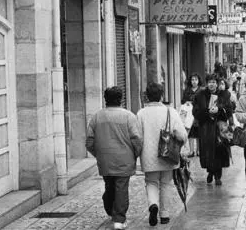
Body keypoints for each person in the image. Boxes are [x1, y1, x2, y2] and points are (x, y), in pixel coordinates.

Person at [86, 87, 142, 230]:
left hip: (104, 159)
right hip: (125, 159)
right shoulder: (129, 116)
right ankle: (118, 219)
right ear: (121, 99)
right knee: (121, 188)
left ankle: (111, 210)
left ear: (105, 99)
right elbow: (136, 139)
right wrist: (135, 154)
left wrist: (99, 154)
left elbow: (89, 142)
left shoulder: (96, 117)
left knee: (109, 186)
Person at [137, 83, 187, 226]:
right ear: (162, 95)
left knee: (151, 182)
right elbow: (182, 135)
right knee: (165, 184)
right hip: (168, 156)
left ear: (147, 96)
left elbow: (137, 137)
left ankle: (153, 205)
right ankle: (164, 215)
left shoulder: (141, 113)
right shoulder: (170, 112)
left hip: (148, 155)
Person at [192, 74, 233, 185]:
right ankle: (210, 171)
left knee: (219, 150)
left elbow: (229, 110)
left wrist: (219, 110)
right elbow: (195, 111)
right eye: (210, 82)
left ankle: (218, 176)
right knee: (208, 152)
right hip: (205, 128)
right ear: (206, 83)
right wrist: (207, 112)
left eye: (214, 82)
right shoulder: (200, 95)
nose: (212, 84)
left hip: (219, 128)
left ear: (217, 83)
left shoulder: (224, 95)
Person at [181, 73, 203, 157]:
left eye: (196, 80)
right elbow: (183, 101)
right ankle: (191, 151)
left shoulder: (201, 90)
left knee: (198, 133)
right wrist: (186, 102)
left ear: (198, 81)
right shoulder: (187, 90)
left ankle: (198, 151)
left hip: (198, 114)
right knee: (190, 133)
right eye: (192, 80)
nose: (194, 81)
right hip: (189, 115)